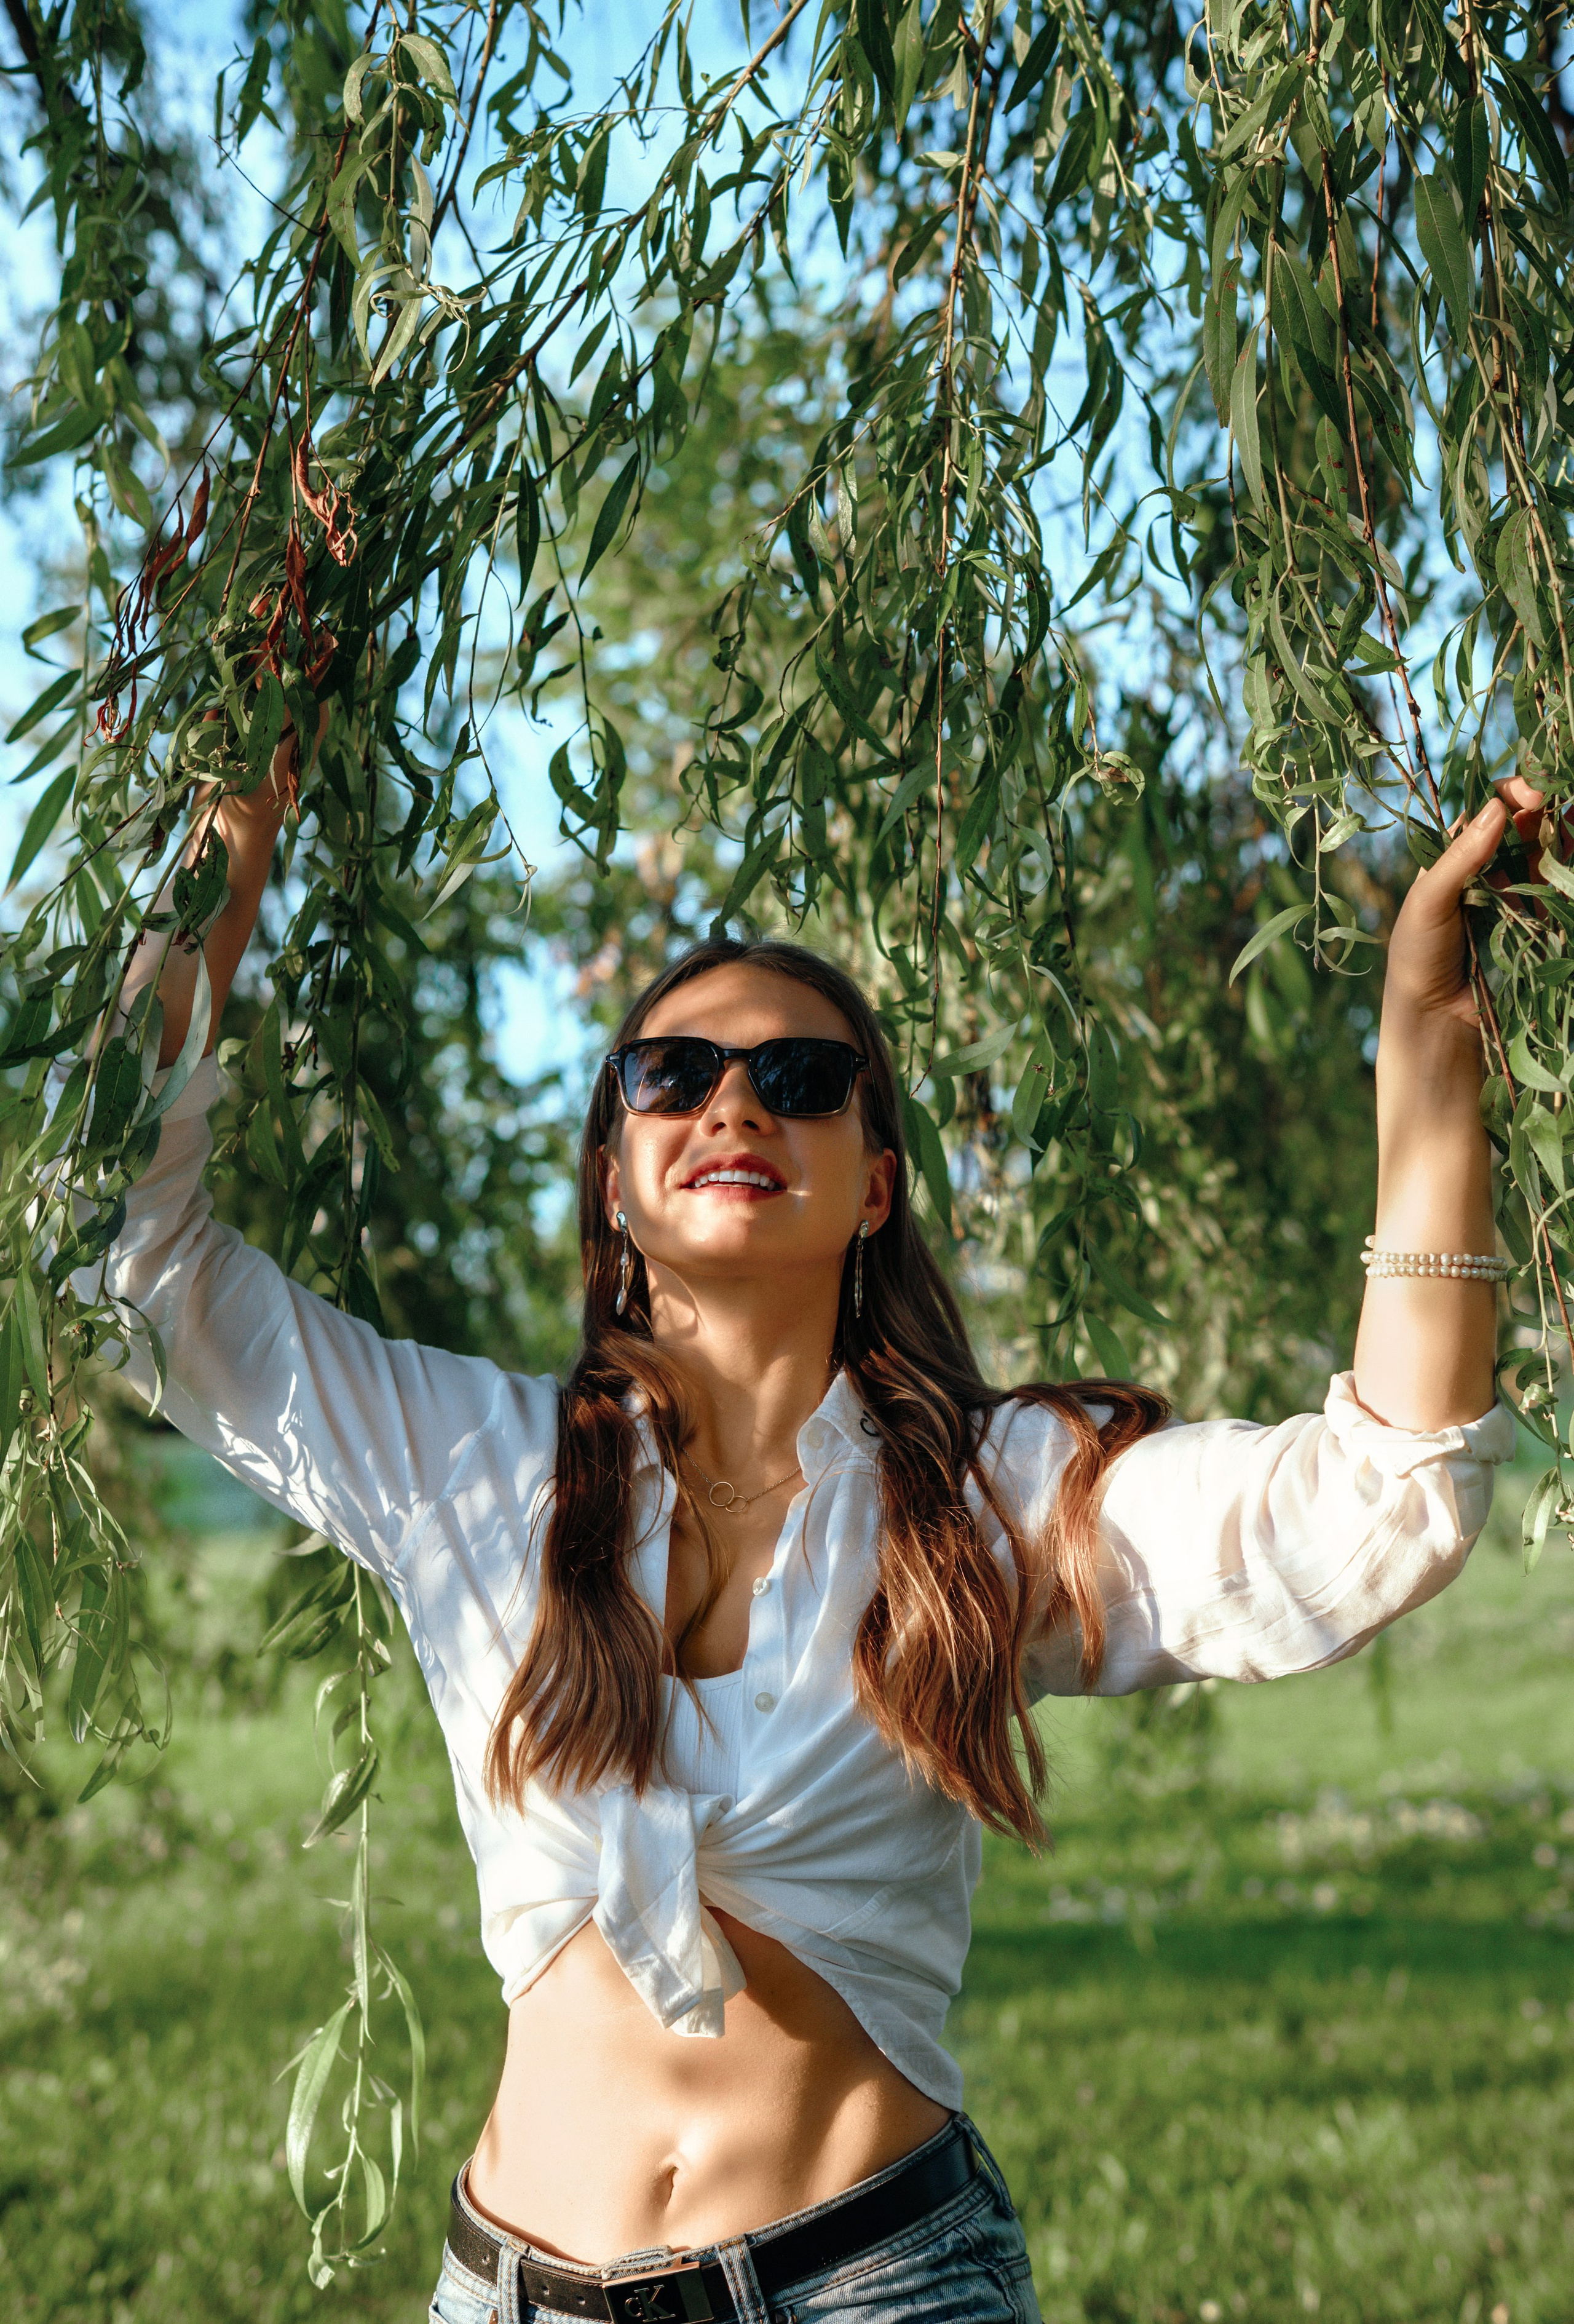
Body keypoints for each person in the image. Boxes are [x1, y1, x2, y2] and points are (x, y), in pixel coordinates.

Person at [80, 735, 1525, 2324]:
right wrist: (238, 815)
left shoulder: (985, 1502)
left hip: (874, 2285)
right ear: (615, 1178)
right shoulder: (471, 1466)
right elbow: (133, 1252)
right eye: (672, 1073)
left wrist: (1427, 1032)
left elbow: (1382, 1498)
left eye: (800, 1081)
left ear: (876, 1184)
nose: (731, 1103)